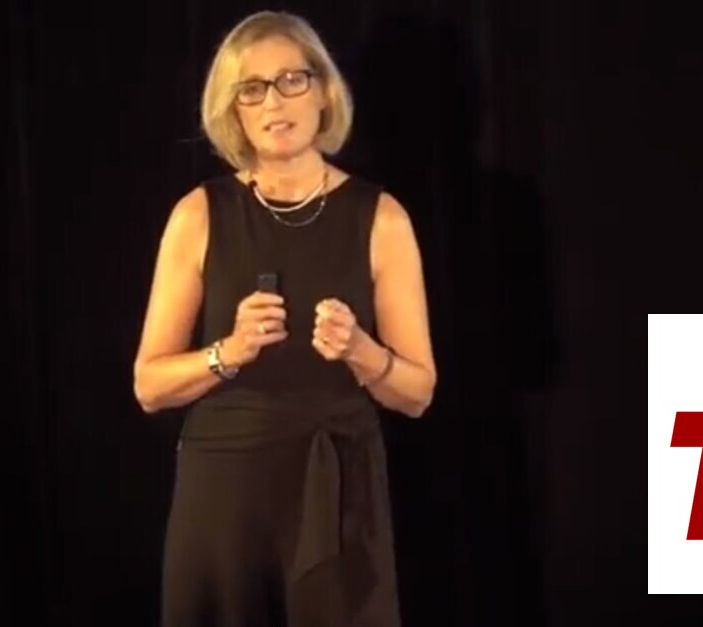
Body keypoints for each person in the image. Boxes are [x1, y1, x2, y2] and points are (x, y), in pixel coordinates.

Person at [132, 10, 437, 627]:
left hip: (337, 494)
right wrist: (228, 351)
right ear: (234, 112)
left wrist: (362, 352)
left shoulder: (382, 218)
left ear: (324, 92)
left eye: (292, 80)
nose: (274, 101)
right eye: (252, 88)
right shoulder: (199, 215)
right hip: (224, 496)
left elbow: (418, 393)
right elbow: (149, 385)